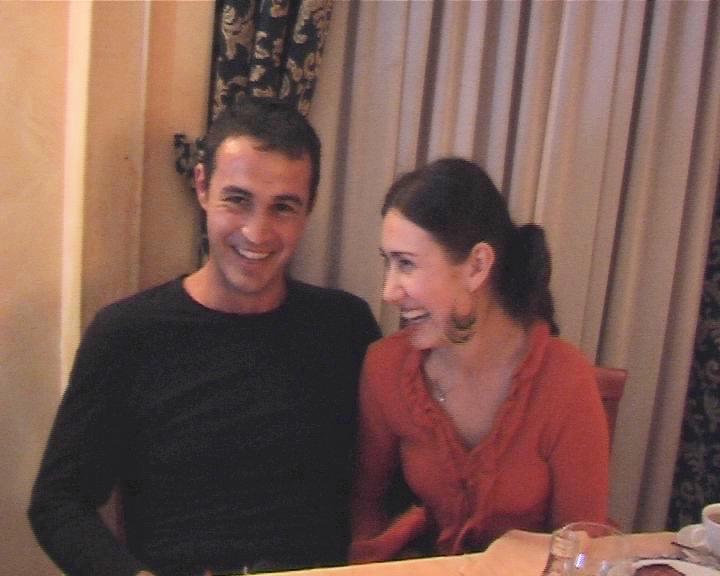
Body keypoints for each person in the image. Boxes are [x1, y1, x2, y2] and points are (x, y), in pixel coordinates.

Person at [29, 97, 381, 576]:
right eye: (237, 200)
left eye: (283, 207)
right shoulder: (127, 335)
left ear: (309, 209)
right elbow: (58, 503)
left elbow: (392, 485)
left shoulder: (345, 328)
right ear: (201, 186)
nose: (257, 232)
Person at [349, 158, 609, 563]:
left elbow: (582, 545)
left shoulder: (564, 380)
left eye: (406, 264)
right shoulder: (386, 367)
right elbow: (367, 508)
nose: (389, 291)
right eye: (388, 262)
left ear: (476, 266)